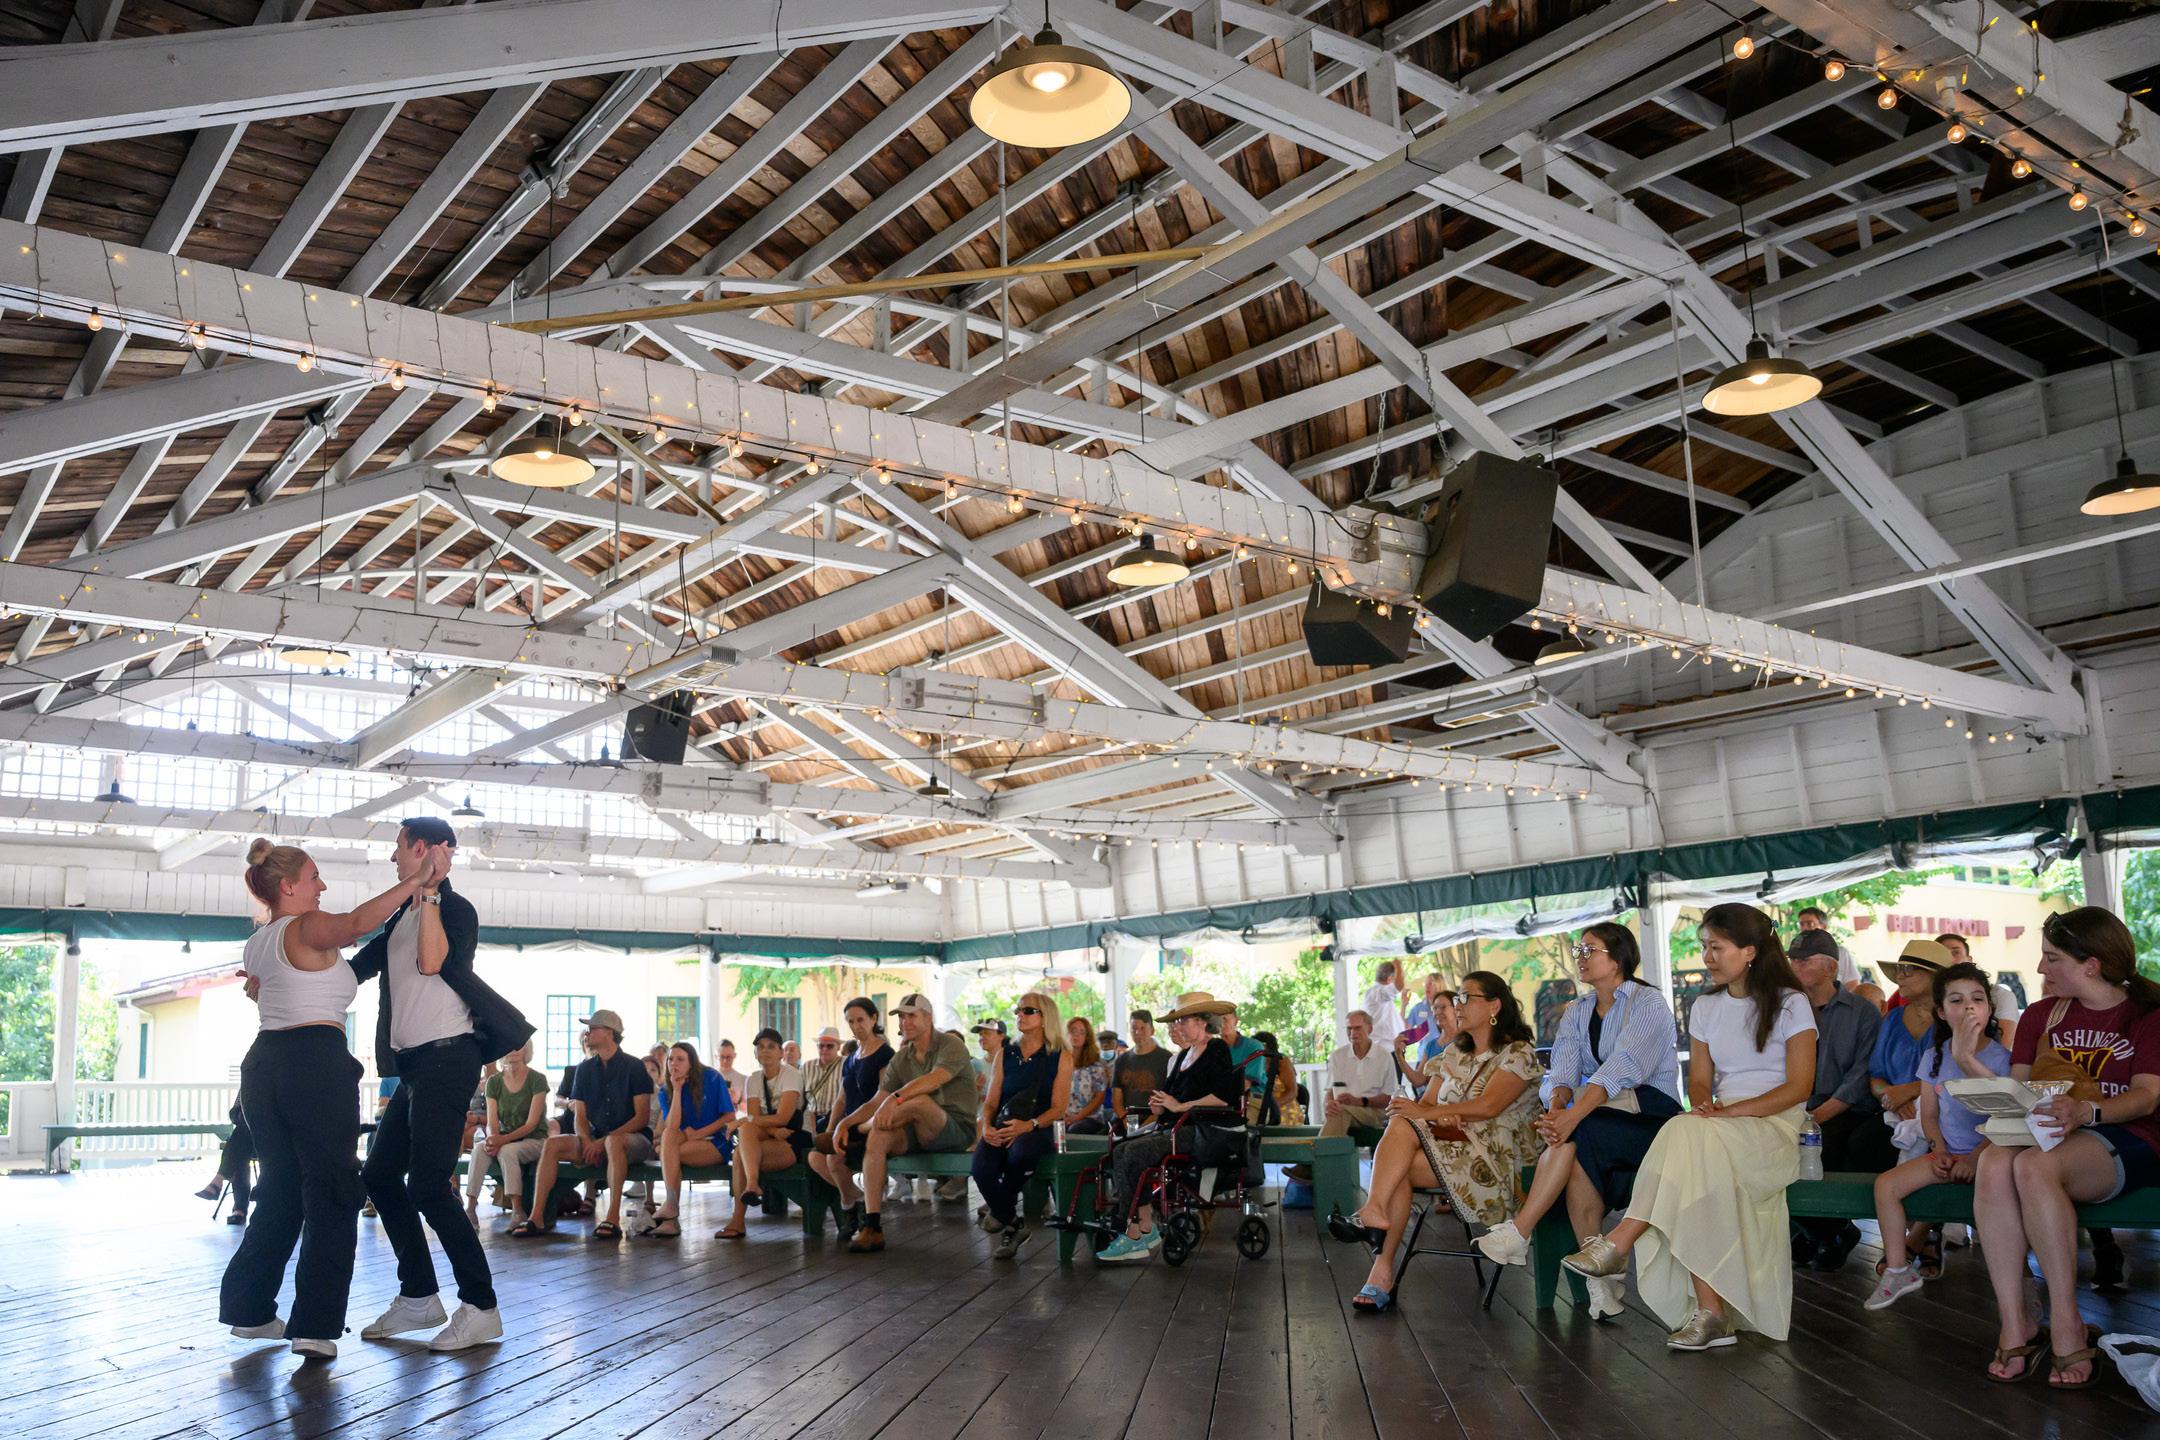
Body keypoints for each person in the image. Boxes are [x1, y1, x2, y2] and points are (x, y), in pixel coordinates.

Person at [1563, 902, 1817, 1351]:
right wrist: (1704, 1105)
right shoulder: (1705, 1005)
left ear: (1750, 951)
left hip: (1774, 1124)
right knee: (1688, 1136)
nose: (1706, 957)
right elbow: (1699, 1080)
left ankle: (1622, 1242)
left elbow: (1800, 1087)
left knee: (1686, 1134)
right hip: (1718, 1122)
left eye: (1717, 947)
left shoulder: (1791, 1003)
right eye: (1704, 947)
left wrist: (1730, 1114)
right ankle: (1710, 1312)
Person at [218, 840, 424, 1361]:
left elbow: (300, 978)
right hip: (312, 1062)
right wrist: (415, 882)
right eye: (314, 877)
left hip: (264, 1066)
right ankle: (314, 1325)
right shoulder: (305, 927)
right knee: (333, 1189)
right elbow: (355, 923)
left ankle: (250, 1310)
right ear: (288, 886)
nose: (322, 886)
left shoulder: (258, 942)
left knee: (283, 1187)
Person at [346, 817, 528, 1355]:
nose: (393, 857)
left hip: (449, 1058)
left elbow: (433, 963)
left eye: (399, 848)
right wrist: (282, 972)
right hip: (413, 1068)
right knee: (380, 1175)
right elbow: (352, 970)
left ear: (422, 848)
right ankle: (420, 1296)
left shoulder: (455, 909)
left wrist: (429, 890)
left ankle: (482, 1308)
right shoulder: (400, 916)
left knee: (427, 1186)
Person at [1975, 906, 2160, 1387]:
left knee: (2035, 1167)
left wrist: (2087, 1112)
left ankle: (2066, 1321)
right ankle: (2016, 1321)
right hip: (2056, 1131)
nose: (2041, 967)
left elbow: (2147, 1096)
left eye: (2052, 958)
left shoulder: (2148, 1015)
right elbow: (2019, 1087)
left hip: (2132, 1135)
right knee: (1993, 1162)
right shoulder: (2041, 1016)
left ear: (2091, 965)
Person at [1474, 924, 1682, 1321]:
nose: (1581, 958)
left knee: (1577, 1133)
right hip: (1599, 1118)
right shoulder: (1579, 1010)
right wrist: (1557, 1109)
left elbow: (1622, 1069)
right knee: (1572, 1146)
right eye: (1579, 950)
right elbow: (1562, 1073)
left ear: (1617, 959)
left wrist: (1570, 1117)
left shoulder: (1648, 1004)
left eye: (1590, 950)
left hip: (1653, 1118)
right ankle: (1598, 1275)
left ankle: (1520, 1231)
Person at [1330, 972, 1543, 1312]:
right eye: (1457, 998)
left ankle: (1379, 1253)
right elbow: (1427, 1104)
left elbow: (1489, 1106)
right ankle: (1377, 1239)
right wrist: (1430, 1113)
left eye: (1466, 997)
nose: (1458, 1005)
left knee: (1399, 1154)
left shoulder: (1518, 1053)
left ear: (1494, 1006)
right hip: (1450, 1149)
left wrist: (1435, 1112)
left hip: (1497, 1162)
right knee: (1402, 1124)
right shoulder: (1454, 1053)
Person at [1866, 962, 2009, 1309]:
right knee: (1885, 1186)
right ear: (1942, 1012)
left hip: (1990, 1156)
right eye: (1957, 1000)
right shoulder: (1935, 1056)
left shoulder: (2001, 1058)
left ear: (1989, 1008)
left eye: (1977, 999)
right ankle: (1898, 1268)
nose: (1969, 1007)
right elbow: (1929, 1114)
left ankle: (2014, 1283)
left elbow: (2005, 1118)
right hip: (1949, 1153)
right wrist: (1939, 1148)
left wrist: (1975, 1157)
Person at [1097, 993, 1245, 1263]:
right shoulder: (1183, 1056)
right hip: (1175, 1127)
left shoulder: (1216, 1049)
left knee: (1134, 1152)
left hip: (1202, 1130)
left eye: (1182, 1021)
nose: (1177, 1026)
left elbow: (1223, 1097)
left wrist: (1180, 1105)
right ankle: (1144, 1226)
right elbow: (1168, 1098)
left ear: (1202, 1022)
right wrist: (1160, 1106)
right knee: (1120, 1149)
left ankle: (1129, 1229)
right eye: (1177, 1021)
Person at [834, 994, 977, 1252]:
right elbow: (878, 1100)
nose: (904, 1021)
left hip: (956, 1130)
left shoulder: (951, 1044)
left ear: (928, 1018)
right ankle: (872, 1226)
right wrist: (844, 1123)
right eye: (901, 1016)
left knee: (918, 1101)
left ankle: (861, 1131)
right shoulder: (901, 1058)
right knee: (879, 1137)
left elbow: (934, 1080)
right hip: (918, 1130)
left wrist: (895, 1099)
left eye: (911, 1015)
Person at [1780, 928, 1887, 1272]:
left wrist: (1816, 1117)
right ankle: (1824, 1231)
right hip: (1798, 1104)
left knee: (1823, 1146)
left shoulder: (1862, 1012)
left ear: (1830, 967)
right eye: (1793, 960)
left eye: (1804, 960)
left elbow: (1859, 1077)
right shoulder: (1785, 1010)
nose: (1795, 965)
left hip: (1847, 1109)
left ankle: (1823, 1230)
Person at [514, 1010, 653, 1239]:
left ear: (610, 1033)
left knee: (613, 1142)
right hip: (596, 1138)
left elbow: (641, 1118)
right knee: (552, 1144)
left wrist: (602, 1142)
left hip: (633, 1140)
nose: (587, 1033)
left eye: (593, 1028)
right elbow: (579, 1116)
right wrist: (587, 1140)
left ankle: (612, 1218)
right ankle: (536, 1217)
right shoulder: (584, 1069)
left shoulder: (634, 1066)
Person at [974, 992, 1075, 1259]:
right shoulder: (1005, 1053)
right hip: (1004, 1124)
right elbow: (991, 1101)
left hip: (1039, 1127)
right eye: (1018, 1010)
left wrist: (1028, 1125)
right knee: (981, 1169)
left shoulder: (1060, 1056)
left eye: (1028, 1010)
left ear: (1045, 1017)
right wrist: (986, 1127)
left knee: (1021, 1153)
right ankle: (1013, 1223)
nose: (1020, 1015)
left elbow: (1059, 1108)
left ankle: (1001, 1215)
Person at [811, 998, 891, 1238]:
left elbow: (882, 1097)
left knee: (834, 1159)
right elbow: (841, 1099)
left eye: (860, 1020)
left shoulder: (885, 1054)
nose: (856, 1026)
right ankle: (854, 1200)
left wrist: (845, 1126)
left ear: (873, 1019)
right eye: (851, 1022)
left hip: (873, 1125)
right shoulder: (851, 1058)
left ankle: (851, 1209)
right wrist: (832, 1129)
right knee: (816, 1157)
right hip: (850, 1126)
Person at [715, 1028, 806, 1239]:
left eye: (771, 1047)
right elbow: (755, 1120)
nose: (765, 1051)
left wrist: (745, 1120)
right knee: (746, 1134)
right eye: (760, 1047)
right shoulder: (754, 1079)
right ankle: (752, 1185)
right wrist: (770, 1129)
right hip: (772, 1135)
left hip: (793, 1137)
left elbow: (783, 1117)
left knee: (740, 1153)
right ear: (755, 1053)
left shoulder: (791, 1075)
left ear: (781, 1053)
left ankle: (738, 1219)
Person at [1287, 1011, 1397, 1185]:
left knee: (1341, 1111)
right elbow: (1330, 1091)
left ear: (1370, 1028)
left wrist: (1361, 1101)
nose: (1353, 1033)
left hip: (1375, 1113)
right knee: (1338, 1111)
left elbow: (1389, 1098)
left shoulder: (1384, 1057)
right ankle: (1325, 1178)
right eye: (1349, 1029)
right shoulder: (1338, 1056)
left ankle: (1310, 1166)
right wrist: (1328, 1105)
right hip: (1344, 1112)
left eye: (1357, 1028)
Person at [644, 1040, 734, 1238]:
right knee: (668, 1136)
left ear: (691, 1062)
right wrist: (676, 1090)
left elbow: (729, 1116)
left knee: (668, 1154)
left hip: (714, 1141)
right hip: (684, 1141)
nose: (673, 1064)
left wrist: (700, 1134)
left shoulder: (712, 1077)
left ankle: (671, 1212)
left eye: (680, 1059)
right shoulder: (665, 1090)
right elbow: (672, 1126)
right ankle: (671, 1209)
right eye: (670, 1059)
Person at [465, 1042, 551, 1222]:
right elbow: (492, 1121)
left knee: (507, 1151)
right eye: (509, 1045)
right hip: (505, 1139)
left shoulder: (537, 1079)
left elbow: (532, 1124)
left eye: (519, 1045)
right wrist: (492, 1138)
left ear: (526, 1049)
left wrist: (502, 1140)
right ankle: (470, 1209)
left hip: (535, 1140)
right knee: (479, 1149)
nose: (513, 1050)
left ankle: (517, 1210)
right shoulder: (494, 1082)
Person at [1936, 932, 2021, 1025]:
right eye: (1956, 1000)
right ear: (1941, 1011)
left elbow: (2005, 1033)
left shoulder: (1999, 995)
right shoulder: (1930, 996)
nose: (1950, 959)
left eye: (1956, 953)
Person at [1110, 1009, 1171, 1131]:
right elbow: (1117, 1099)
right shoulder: (1121, 1060)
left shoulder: (1166, 1059)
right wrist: (1128, 1123)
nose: (1138, 1032)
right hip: (1126, 1119)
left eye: (1143, 1028)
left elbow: (1168, 1096)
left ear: (1152, 1030)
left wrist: (1145, 1126)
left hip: (1156, 1119)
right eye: (1134, 1028)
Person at [197, 1101, 255, 1225]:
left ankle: (220, 1181)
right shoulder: (245, 1090)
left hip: (269, 1138)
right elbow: (233, 1114)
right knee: (240, 1149)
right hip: (249, 1138)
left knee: (238, 1144)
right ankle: (238, 1208)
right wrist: (241, 1114)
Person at [1393, 986, 1456, 1091]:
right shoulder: (1431, 1045)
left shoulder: (1465, 1041)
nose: (1438, 1012)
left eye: (1443, 1007)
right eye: (1435, 1008)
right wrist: (1399, 1055)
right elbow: (1418, 1080)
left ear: (1456, 1009)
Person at [1062, 1015, 1111, 1134]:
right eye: (1073, 1031)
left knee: (1074, 1130)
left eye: (1082, 1032)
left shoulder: (1096, 1065)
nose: (1076, 1035)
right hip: (1061, 1116)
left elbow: (1099, 1098)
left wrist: (1076, 1118)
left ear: (1087, 1037)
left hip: (1090, 1118)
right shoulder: (1057, 1062)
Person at [1251, 1031, 1303, 1124]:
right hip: (1257, 1107)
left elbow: (1293, 1092)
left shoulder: (1282, 1062)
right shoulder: (1252, 1063)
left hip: (1283, 1109)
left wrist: (1271, 1107)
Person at [801, 1027, 844, 1133]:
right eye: (821, 1046)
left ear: (838, 1047)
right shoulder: (807, 1066)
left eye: (829, 1046)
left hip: (837, 1120)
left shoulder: (846, 1064)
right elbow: (801, 1098)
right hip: (811, 1120)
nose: (824, 1049)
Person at [1361, 960, 1407, 1047]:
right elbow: (1399, 986)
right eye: (1395, 979)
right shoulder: (1378, 992)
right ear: (1389, 979)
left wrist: (1403, 1005)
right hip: (1383, 1047)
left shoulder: (1380, 996)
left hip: (1390, 1047)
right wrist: (1398, 965)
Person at [971, 1019, 1004, 1087]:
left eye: (987, 1033)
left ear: (1001, 1036)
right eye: (980, 1034)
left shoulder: (1011, 1064)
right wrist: (976, 1089)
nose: (982, 1037)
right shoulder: (974, 1065)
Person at [715, 1039, 746, 1111]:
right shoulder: (708, 1078)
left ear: (734, 1055)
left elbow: (748, 1110)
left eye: (728, 1057)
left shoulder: (744, 1079)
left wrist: (737, 1099)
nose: (725, 1061)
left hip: (736, 1117)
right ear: (716, 1056)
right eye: (722, 1057)